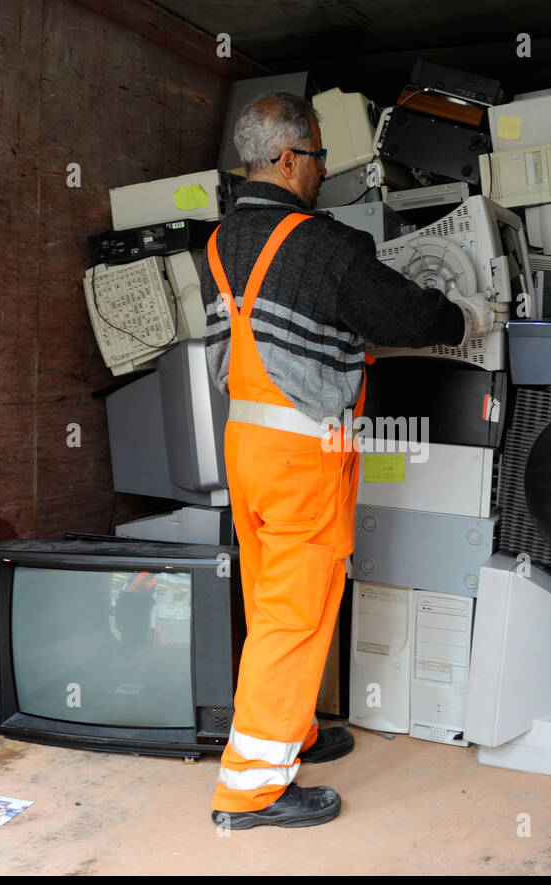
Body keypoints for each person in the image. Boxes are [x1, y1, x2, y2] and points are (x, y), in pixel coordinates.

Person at [199, 92, 501, 829]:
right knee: (297, 615)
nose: (324, 170)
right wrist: (468, 316)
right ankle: (251, 791)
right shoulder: (324, 245)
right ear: (293, 157)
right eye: (322, 157)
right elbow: (403, 315)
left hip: (247, 444)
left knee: (273, 599)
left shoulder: (217, 243)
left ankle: (289, 732)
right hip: (305, 451)